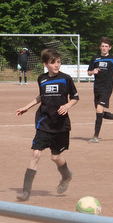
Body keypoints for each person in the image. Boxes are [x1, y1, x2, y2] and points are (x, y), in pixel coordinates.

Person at [15, 49, 79, 201]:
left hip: (60, 125)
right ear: (45, 64)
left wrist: (68, 105)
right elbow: (41, 96)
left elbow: (75, 97)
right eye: (53, 62)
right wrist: (26, 106)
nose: (57, 65)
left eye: (58, 61)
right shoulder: (42, 79)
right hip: (44, 122)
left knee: (55, 157)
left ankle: (66, 175)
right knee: (36, 154)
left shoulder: (66, 78)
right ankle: (25, 192)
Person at [87, 37, 113, 143]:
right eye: (102, 46)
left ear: (109, 48)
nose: (104, 48)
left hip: (107, 88)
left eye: (106, 46)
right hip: (97, 87)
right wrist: (93, 72)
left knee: (99, 110)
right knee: (100, 112)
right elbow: (89, 72)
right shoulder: (95, 59)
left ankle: (95, 136)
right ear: (100, 47)